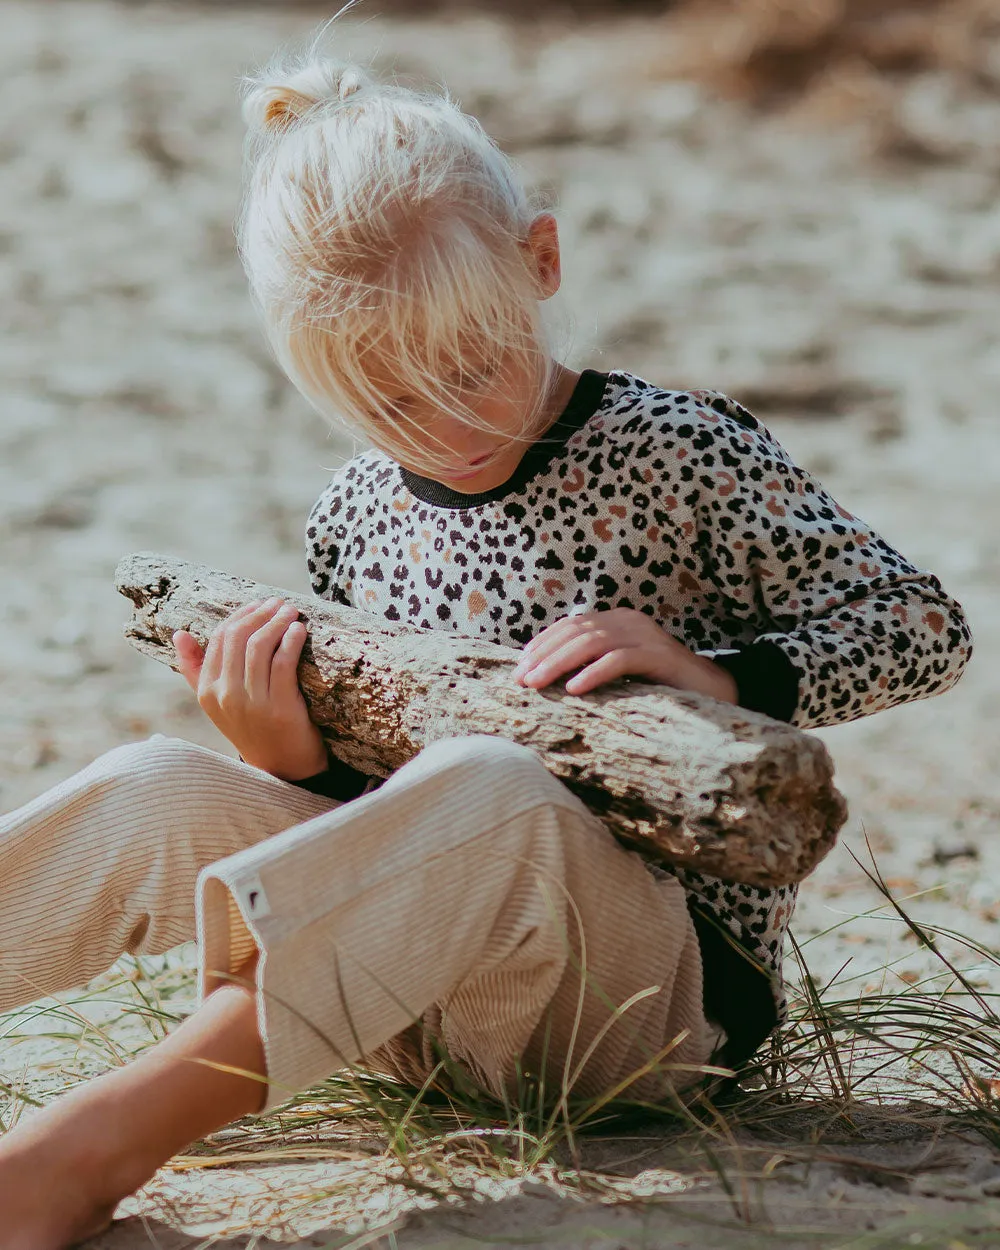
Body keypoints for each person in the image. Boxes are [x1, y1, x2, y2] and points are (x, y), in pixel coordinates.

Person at [0, 38, 972, 1249]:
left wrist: (721, 675)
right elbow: (385, 820)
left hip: (648, 1011)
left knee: (495, 788)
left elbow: (925, 626)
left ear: (541, 262)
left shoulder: (679, 452)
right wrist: (298, 763)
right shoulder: (356, 507)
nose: (445, 422)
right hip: (420, 1005)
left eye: (469, 363)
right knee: (150, 786)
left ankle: (81, 1152)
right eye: (389, 399)